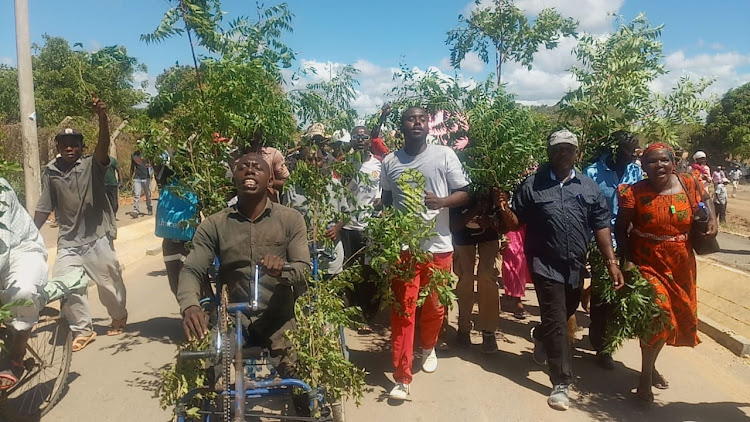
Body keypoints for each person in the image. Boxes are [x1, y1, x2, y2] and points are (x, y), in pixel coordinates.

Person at [506, 129, 624, 411]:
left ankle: (539, 336)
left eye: (568, 149)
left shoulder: (587, 186)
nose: (563, 153)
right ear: (549, 151)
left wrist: (611, 262)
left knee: (566, 311)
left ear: (576, 153)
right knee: (557, 319)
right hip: (543, 263)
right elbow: (513, 221)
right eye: (558, 148)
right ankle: (561, 382)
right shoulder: (532, 185)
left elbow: (601, 224)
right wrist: (501, 207)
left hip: (575, 266)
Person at [178, 152, 310, 379]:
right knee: (200, 375)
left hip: (278, 318)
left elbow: (303, 268)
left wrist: (282, 271)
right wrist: (190, 305)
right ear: (234, 178)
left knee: (301, 381)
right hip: (230, 319)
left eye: (257, 167)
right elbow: (192, 269)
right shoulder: (214, 224)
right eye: (243, 167)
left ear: (270, 181)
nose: (249, 170)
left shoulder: (291, 219)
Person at [615, 143, 717, 402]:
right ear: (643, 166)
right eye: (652, 161)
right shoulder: (633, 193)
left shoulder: (689, 182)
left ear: (673, 162)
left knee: (671, 318)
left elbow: (706, 199)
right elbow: (620, 227)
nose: (658, 165)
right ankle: (645, 379)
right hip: (647, 262)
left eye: (664, 160)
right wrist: (625, 261)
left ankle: (649, 364)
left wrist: (713, 219)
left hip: (682, 263)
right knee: (657, 314)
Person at [381, 107, 471, 400]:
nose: (417, 122)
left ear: (428, 125)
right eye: (410, 118)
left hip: (438, 247)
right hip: (403, 250)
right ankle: (402, 377)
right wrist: (387, 226)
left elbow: (465, 192)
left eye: (422, 118)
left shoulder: (444, 155)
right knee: (403, 311)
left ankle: (428, 345)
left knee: (434, 306)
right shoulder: (391, 161)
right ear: (402, 126)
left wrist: (442, 201)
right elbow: (386, 199)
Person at [33, 99, 128, 351]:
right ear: (58, 148)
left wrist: (103, 116)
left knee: (108, 282)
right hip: (68, 241)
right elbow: (44, 206)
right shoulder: (51, 172)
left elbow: (103, 145)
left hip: (97, 237)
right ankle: (83, 330)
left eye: (74, 145)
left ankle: (119, 315)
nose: (69, 148)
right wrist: (31, 233)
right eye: (64, 145)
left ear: (81, 147)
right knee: (66, 283)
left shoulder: (92, 165)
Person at [583, 131, 643, 370]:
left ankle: (608, 338)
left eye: (635, 149)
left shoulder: (635, 172)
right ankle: (601, 346)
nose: (633, 154)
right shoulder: (593, 173)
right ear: (616, 149)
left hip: (628, 242)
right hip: (600, 243)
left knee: (622, 294)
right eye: (629, 149)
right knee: (603, 296)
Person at [0, 179, 48, 389]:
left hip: (20, 251)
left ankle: (17, 356)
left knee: (22, 293)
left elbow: (2, 245)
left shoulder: (0, 189)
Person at [282, 146, 348, 277]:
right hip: (303, 253)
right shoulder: (292, 188)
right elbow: (285, 219)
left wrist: (337, 228)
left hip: (330, 253)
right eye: (309, 159)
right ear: (301, 162)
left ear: (323, 161)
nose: (314, 164)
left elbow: (346, 214)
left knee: (332, 290)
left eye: (318, 159)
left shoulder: (335, 185)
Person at [340, 126, 382, 332]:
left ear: (369, 140)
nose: (360, 140)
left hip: (370, 226)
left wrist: (380, 202)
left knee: (370, 269)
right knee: (351, 269)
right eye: (356, 137)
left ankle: (369, 311)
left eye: (364, 137)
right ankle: (355, 310)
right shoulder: (345, 165)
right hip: (347, 226)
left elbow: (382, 191)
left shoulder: (378, 165)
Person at [450, 195, 503, 353]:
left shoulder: (492, 175)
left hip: (490, 232)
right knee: (465, 278)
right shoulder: (457, 173)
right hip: (461, 232)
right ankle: (464, 327)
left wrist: (493, 220)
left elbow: (502, 200)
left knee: (487, 277)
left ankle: (488, 330)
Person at [246, 128, 291, 202]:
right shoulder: (234, 156)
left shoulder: (273, 155)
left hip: (270, 205)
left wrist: (268, 183)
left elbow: (287, 183)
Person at [501, 225, 531, 320]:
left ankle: (511, 292)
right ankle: (517, 300)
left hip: (529, 219)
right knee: (514, 256)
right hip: (509, 219)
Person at [130, 147, 153, 217]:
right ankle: (135, 211)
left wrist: (149, 166)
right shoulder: (134, 155)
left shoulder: (146, 154)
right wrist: (130, 177)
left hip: (146, 177)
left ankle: (149, 208)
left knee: (147, 195)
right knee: (136, 194)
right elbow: (132, 167)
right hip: (137, 178)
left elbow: (151, 164)